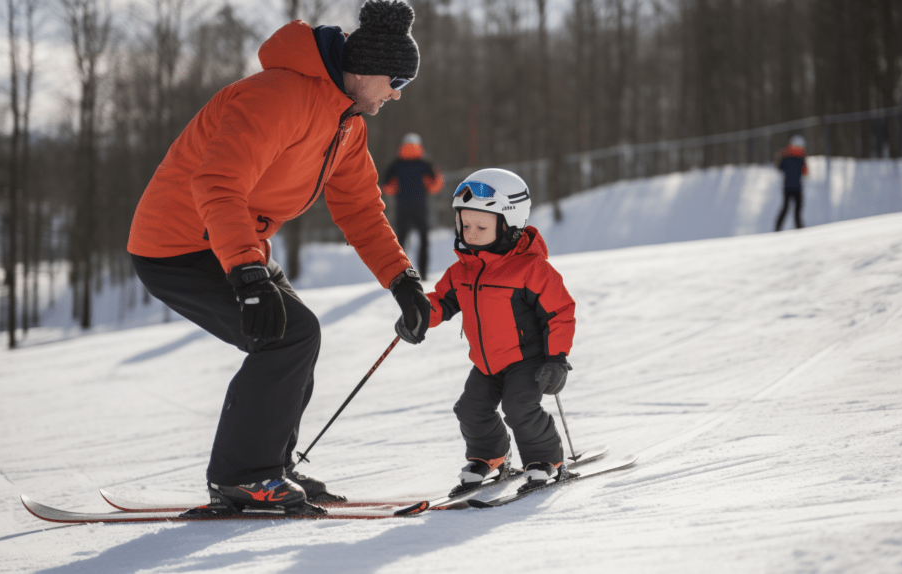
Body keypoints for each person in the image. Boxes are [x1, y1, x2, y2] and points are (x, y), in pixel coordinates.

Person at [126, 0, 432, 516]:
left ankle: (269, 465)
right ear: (366, 69)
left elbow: (359, 208)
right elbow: (217, 182)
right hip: (178, 243)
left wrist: (402, 280)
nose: (397, 93)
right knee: (288, 335)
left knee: (297, 336)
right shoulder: (279, 97)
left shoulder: (346, 123)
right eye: (395, 79)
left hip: (232, 242)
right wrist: (247, 274)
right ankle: (242, 477)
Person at [397, 168, 576, 496]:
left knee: (520, 407)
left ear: (509, 225)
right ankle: (490, 456)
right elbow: (442, 302)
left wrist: (557, 358)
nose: (471, 233)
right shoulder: (462, 269)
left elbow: (560, 313)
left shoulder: (531, 270)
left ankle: (545, 461)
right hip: (487, 361)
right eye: (465, 225)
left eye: (481, 226)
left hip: (527, 360)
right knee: (470, 409)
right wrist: (419, 314)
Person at [381, 133, 444, 277]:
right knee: (423, 241)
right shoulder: (425, 164)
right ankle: (423, 273)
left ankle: (400, 273)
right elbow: (434, 186)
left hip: (402, 208)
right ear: (419, 146)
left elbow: (388, 188)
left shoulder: (395, 165)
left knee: (401, 243)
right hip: (420, 208)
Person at [774, 134, 809, 231]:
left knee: (787, 208)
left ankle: (778, 227)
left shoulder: (786, 157)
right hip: (796, 187)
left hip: (788, 187)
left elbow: (779, 167)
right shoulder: (800, 158)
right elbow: (805, 172)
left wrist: (780, 156)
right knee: (796, 208)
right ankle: (798, 227)